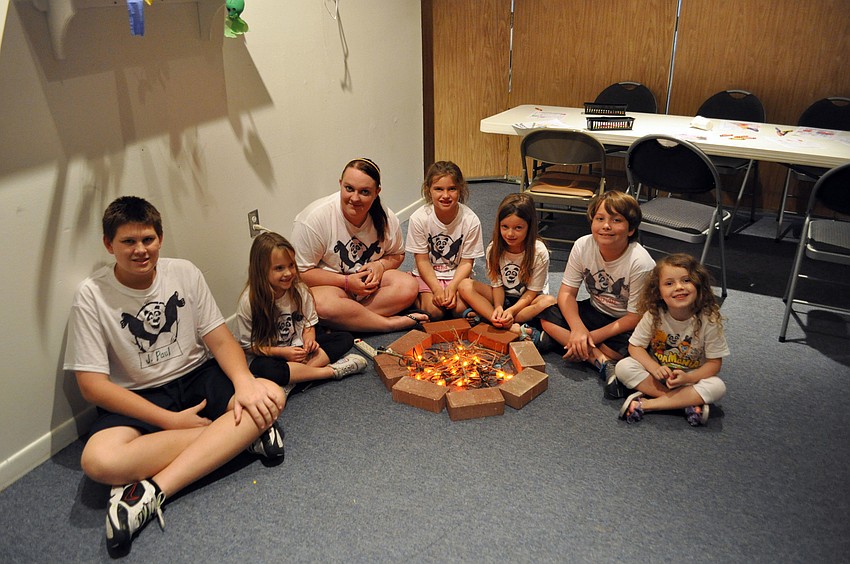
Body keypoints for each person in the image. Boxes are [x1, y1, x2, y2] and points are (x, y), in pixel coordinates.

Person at [63, 197, 287, 551]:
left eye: (148, 239)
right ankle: (237, 439)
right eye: (128, 241)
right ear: (109, 244)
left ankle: (151, 491)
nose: (140, 250)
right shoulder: (91, 295)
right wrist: (170, 421)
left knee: (270, 395)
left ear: (160, 238)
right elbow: (92, 387)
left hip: (196, 376)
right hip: (137, 396)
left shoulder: (184, 272)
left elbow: (221, 340)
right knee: (98, 461)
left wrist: (245, 383)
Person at [539, 191, 655, 397]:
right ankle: (601, 361)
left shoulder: (641, 263)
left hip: (626, 321)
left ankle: (571, 345)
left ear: (631, 229)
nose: (606, 226)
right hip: (595, 309)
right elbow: (566, 293)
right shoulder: (582, 245)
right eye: (600, 219)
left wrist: (587, 337)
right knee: (547, 316)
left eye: (616, 220)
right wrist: (578, 329)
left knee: (631, 348)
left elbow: (635, 317)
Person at [290, 158, 424, 332]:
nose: (355, 198)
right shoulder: (313, 219)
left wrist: (380, 265)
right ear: (340, 184)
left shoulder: (387, 218)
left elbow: (397, 254)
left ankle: (350, 320)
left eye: (364, 192)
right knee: (320, 304)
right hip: (333, 288)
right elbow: (299, 273)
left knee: (409, 286)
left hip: (368, 290)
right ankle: (388, 324)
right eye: (349, 189)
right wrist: (346, 282)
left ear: (377, 192)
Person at [235, 231, 367, 393]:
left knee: (345, 338)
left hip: (298, 349)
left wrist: (309, 340)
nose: (288, 273)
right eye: (279, 268)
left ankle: (293, 379)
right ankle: (329, 372)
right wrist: (283, 353)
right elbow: (250, 346)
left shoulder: (300, 290)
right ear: (261, 270)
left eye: (291, 265)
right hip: (271, 354)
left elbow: (309, 324)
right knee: (265, 369)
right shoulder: (249, 302)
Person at [616, 253, 728, 426]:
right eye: (669, 283)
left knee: (717, 387)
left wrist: (688, 379)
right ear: (658, 292)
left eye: (686, 280)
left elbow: (714, 364)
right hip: (658, 376)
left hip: (690, 379)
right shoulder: (653, 315)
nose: (679, 287)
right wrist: (654, 368)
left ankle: (648, 404)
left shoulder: (709, 319)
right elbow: (635, 347)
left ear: (698, 285)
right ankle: (684, 402)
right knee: (623, 367)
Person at [457, 192, 555, 342]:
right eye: (505, 227)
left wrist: (511, 311)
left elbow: (531, 293)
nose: (510, 233)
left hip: (527, 302)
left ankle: (492, 319)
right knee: (464, 285)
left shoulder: (539, 252)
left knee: (549, 301)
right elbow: (496, 285)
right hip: (503, 297)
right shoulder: (493, 249)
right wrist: (498, 307)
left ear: (529, 227)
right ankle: (504, 323)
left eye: (518, 228)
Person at [405, 161, 485, 321]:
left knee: (458, 309)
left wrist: (453, 287)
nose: (446, 195)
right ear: (428, 190)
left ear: (460, 189)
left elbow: (467, 262)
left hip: (457, 275)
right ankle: (417, 299)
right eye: (439, 189)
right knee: (435, 312)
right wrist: (436, 289)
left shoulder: (471, 220)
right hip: (429, 275)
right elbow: (422, 260)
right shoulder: (419, 218)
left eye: (452, 189)